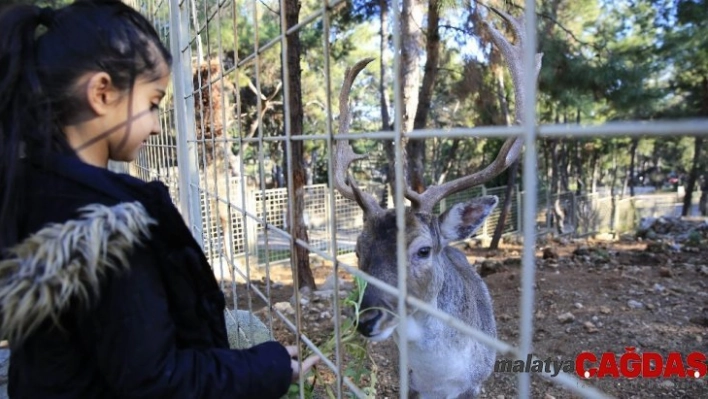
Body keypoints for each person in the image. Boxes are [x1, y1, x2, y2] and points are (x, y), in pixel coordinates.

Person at [0, 1, 318, 398]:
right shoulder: (105, 226)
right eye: (152, 103)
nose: (154, 126)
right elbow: (156, 379)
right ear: (102, 93)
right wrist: (266, 366)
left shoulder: (28, 189)